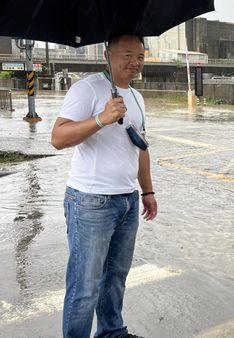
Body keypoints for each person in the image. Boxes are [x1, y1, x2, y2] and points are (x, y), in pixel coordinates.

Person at [51, 31, 158, 338]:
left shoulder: (136, 97)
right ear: (107, 55)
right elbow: (58, 138)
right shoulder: (87, 89)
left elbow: (140, 147)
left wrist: (147, 191)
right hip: (90, 202)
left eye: (140, 56)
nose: (135, 63)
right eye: (127, 56)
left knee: (115, 278)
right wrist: (101, 119)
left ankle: (112, 332)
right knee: (85, 285)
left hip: (126, 200)